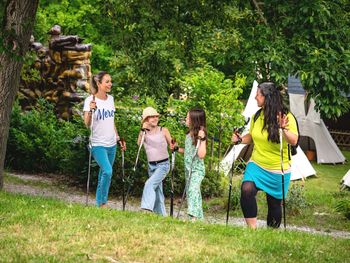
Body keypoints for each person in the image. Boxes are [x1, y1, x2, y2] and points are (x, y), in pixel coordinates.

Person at [231, 81, 298, 229]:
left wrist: (283, 129)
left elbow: (293, 141)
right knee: (246, 189)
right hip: (257, 165)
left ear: (267, 97)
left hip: (278, 169)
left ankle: (271, 234)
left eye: (258, 94)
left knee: (274, 204)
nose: (255, 97)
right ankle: (252, 231)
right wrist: (240, 139)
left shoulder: (286, 116)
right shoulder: (257, 116)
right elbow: (253, 136)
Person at [83, 71, 126, 208]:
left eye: (110, 81)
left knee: (104, 173)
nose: (110, 84)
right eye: (107, 81)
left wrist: (118, 138)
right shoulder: (90, 100)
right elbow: (87, 123)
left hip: (111, 143)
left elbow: (111, 121)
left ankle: (101, 203)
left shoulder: (111, 99)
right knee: (108, 171)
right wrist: (90, 110)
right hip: (97, 144)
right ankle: (102, 204)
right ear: (99, 83)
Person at [138, 107, 174, 216]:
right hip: (151, 166)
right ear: (146, 120)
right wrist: (142, 130)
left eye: (156, 116)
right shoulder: (144, 132)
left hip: (163, 165)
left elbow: (172, 144)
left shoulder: (163, 130)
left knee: (149, 184)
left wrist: (174, 145)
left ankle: (146, 209)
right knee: (158, 192)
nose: (155, 119)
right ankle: (162, 216)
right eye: (152, 117)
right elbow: (139, 144)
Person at [176, 108, 207, 221]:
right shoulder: (189, 134)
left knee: (193, 190)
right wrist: (177, 149)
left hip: (197, 170)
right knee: (193, 194)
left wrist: (202, 139)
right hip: (188, 169)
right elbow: (189, 152)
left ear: (195, 120)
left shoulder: (200, 136)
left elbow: (201, 154)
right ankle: (198, 219)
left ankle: (193, 217)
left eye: (188, 117)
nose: (186, 119)